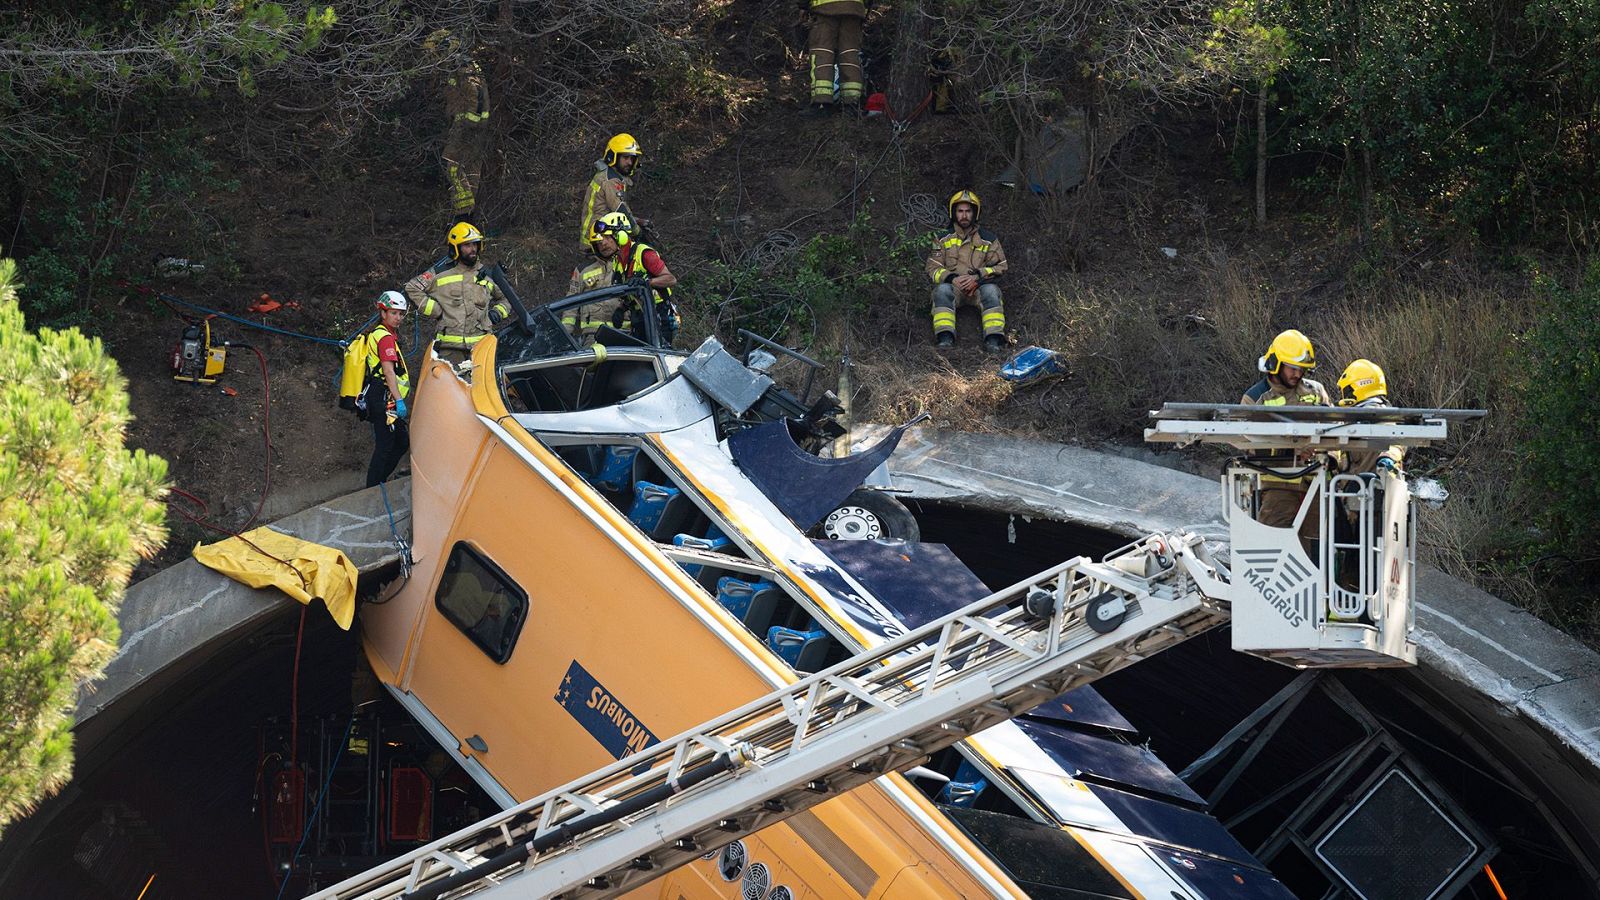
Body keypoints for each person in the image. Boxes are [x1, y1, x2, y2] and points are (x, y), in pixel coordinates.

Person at [1240, 329, 1333, 539]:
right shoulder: (1255, 398)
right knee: (1274, 545)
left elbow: (1335, 430)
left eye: (1302, 369)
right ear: (1276, 364)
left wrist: (1329, 456)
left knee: (1316, 550)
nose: (1298, 374)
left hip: (1315, 484)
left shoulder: (1316, 391)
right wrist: (1293, 449)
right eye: (1292, 368)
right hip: (1277, 487)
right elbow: (1248, 443)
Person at [404, 222, 509, 370]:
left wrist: (497, 313)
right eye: (467, 245)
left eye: (475, 244)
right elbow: (412, 287)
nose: (472, 249)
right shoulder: (439, 273)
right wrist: (435, 310)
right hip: (449, 352)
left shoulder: (488, 274)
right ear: (456, 248)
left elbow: (507, 298)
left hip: (482, 348)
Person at [575, 211, 679, 345]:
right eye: (600, 242)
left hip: (658, 317)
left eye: (607, 238)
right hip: (638, 318)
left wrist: (647, 282)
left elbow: (671, 279)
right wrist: (621, 308)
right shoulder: (618, 262)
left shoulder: (643, 253)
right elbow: (629, 290)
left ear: (620, 234)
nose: (603, 244)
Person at [925, 190, 1009, 352]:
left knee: (992, 291)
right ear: (954, 213)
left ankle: (993, 339)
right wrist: (952, 279)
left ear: (975, 213)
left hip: (978, 288)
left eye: (968, 211)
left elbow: (1001, 266)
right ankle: (945, 337)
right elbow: (932, 267)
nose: (964, 215)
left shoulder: (989, 239)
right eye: (960, 211)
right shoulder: (941, 239)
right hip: (953, 288)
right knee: (941, 291)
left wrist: (978, 278)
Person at [430, 32, 490, 219]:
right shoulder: (461, 65)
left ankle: (463, 213)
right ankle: (470, 214)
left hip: (466, 125)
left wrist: (467, 122)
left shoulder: (462, 66)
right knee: (471, 168)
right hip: (473, 127)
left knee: (453, 166)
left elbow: (475, 92)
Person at [365, 291, 411, 487]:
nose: (398, 318)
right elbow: (389, 371)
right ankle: (373, 488)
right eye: (394, 313)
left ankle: (379, 481)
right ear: (383, 313)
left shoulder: (382, 335)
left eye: (401, 314)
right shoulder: (384, 338)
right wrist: (399, 400)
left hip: (383, 396)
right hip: (384, 397)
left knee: (400, 441)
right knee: (385, 445)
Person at [578, 134, 642, 253]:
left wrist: (638, 220)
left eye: (632, 159)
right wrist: (637, 231)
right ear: (613, 157)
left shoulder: (611, 176)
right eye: (625, 158)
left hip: (600, 235)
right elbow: (620, 209)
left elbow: (609, 211)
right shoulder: (610, 181)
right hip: (598, 241)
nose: (629, 162)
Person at [805, 0, 866, 114]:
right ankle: (852, 103)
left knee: (822, 52)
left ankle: (821, 102)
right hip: (854, 8)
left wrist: (803, 7)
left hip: (824, 8)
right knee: (850, 53)